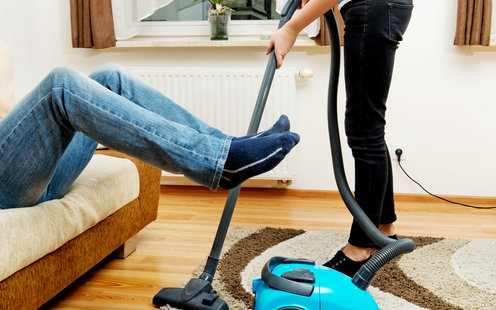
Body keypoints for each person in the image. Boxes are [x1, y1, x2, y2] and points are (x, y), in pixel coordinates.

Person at [0, 49, 300, 209]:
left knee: (110, 76)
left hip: (35, 178)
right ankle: (217, 163)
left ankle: (224, 146)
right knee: (61, 84)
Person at [266, 0, 413, 276]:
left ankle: (358, 250)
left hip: (373, 8)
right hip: (379, 8)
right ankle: (383, 230)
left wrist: (292, 27)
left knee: (364, 129)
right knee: (370, 127)